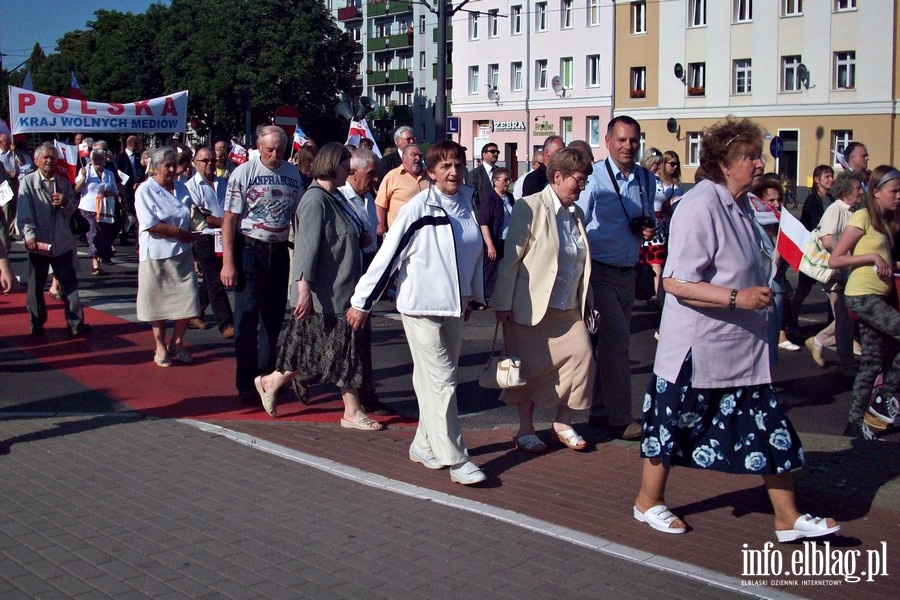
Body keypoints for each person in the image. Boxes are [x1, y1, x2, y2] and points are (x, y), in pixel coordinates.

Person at [633, 117, 840, 543]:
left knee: (767, 426)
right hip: (698, 350)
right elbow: (675, 282)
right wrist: (737, 298)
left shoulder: (745, 205)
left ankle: (786, 516)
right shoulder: (700, 205)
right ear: (723, 164)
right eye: (749, 157)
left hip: (743, 351)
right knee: (669, 428)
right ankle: (647, 502)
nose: (758, 163)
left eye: (757, 155)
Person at [348, 140, 487, 485]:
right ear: (431, 171)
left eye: (457, 164)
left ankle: (424, 444)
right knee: (442, 380)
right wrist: (362, 302)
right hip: (420, 306)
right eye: (444, 166)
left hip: (456, 306)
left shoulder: (469, 202)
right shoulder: (419, 208)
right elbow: (387, 256)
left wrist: (472, 295)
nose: (453, 172)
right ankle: (456, 458)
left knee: (436, 378)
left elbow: (473, 253)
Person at [253, 143, 384, 430]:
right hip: (327, 293)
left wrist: (359, 238)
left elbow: (344, 233)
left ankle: (271, 381)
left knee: (319, 352)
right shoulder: (315, 200)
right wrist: (303, 291)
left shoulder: (336, 197)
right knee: (341, 351)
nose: (347, 170)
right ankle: (352, 410)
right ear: (330, 165)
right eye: (343, 165)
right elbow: (306, 249)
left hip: (342, 288)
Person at [492, 148, 594, 453]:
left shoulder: (576, 213)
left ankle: (563, 422)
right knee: (529, 370)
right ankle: (525, 429)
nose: (583, 186)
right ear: (558, 176)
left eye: (586, 180)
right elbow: (512, 258)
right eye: (579, 180)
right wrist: (502, 303)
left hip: (569, 307)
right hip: (531, 306)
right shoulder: (529, 207)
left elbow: (580, 260)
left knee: (583, 359)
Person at [576, 116, 656, 440]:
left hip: (629, 271)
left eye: (633, 141)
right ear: (607, 141)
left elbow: (650, 219)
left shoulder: (645, 179)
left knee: (607, 347)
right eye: (621, 140)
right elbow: (576, 220)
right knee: (618, 344)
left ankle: (599, 410)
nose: (628, 147)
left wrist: (649, 227)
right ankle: (621, 418)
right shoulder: (593, 177)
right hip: (599, 273)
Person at [220, 125, 302, 404]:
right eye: (270, 149)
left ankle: (267, 378)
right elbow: (229, 220)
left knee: (273, 318)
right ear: (259, 147)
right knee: (246, 318)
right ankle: (245, 383)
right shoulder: (244, 173)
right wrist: (228, 263)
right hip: (250, 248)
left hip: (278, 249)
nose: (275, 155)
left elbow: (297, 217)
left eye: (280, 149)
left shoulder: (292, 174)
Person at [829, 165, 900, 439]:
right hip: (861, 296)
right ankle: (887, 395)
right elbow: (836, 258)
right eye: (894, 191)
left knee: (871, 361)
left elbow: (883, 259)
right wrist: (872, 258)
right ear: (877, 192)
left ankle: (854, 422)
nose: (898, 196)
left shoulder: (885, 223)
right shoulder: (863, 216)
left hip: (877, 296)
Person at [337, 147, 394, 416]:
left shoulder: (368, 199)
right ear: (352, 172)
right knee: (338, 339)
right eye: (370, 173)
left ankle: (367, 394)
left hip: (365, 275)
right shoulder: (337, 199)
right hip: (342, 278)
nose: (375, 179)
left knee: (362, 338)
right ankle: (298, 375)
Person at [135, 147, 201, 367]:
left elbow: (193, 214)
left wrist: (199, 228)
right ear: (154, 168)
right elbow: (151, 225)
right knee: (158, 303)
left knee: (189, 298)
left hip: (182, 253)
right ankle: (160, 345)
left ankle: (178, 341)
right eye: (167, 165)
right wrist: (181, 233)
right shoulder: (145, 190)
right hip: (156, 254)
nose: (172, 169)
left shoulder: (182, 189)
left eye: (175, 165)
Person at [16, 143, 89, 337]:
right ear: (37, 160)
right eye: (46, 157)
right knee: (36, 286)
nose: (50, 161)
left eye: (53, 158)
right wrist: (29, 236)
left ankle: (76, 323)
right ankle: (36, 323)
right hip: (39, 244)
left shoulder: (63, 182)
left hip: (61, 242)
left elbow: (73, 208)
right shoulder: (28, 182)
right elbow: (24, 213)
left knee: (70, 285)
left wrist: (65, 202)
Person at [804, 171, 865, 374]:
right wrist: (848, 252)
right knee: (845, 321)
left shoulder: (852, 211)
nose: (861, 192)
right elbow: (827, 240)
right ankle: (844, 363)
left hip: (845, 272)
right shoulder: (836, 210)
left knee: (847, 319)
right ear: (846, 190)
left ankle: (820, 342)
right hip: (835, 273)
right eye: (858, 188)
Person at [185, 146, 234, 338]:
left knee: (210, 278)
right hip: (205, 235)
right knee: (215, 279)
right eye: (205, 160)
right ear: (195, 162)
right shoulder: (191, 186)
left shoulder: (224, 183)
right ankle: (226, 323)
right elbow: (201, 215)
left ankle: (194, 311)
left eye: (213, 160)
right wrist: (226, 223)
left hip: (224, 236)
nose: (210, 164)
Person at [750, 177, 800, 354]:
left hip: (778, 287)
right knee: (762, 341)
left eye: (779, 199)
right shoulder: (755, 225)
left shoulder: (779, 223)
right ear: (759, 202)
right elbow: (763, 260)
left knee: (772, 340)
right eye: (771, 200)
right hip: (763, 288)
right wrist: (780, 251)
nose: (777, 204)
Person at [790, 165, 835, 335]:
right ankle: (792, 322)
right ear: (817, 180)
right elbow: (808, 224)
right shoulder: (812, 200)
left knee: (833, 289)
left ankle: (832, 327)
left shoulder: (831, 198)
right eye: (827, 176)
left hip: (828, 251)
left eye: (831, 176)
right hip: (813, 250)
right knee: (804, 288)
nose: (831, 179)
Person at [75, 149, 118, 276]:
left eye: (101, 159)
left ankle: (99, 256)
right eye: (96, 159)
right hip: (88, 208)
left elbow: (115, 190)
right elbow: (76, 189)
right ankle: (95, 264)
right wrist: (83, 177)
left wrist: (107, 193)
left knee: (102, 235)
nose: (98, 162)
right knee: (92, 234)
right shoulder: (86, 171)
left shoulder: (109, 173)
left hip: (104, 210)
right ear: (91, 160)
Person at [478, 167, 514, 302]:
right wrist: (490, 245)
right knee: (491, 270)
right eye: (505, 180)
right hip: (494, 240)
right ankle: (485, 297)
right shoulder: (490, 198)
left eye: (509, 179)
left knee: (505, 270)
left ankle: (501, 296)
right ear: (495, 181)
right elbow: (484, 223)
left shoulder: (509, 197)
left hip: (508, 240)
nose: (508, 182)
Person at [375, 144, 428, 235]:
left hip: (425, 230)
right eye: (413, 155)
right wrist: (381, 224)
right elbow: (380, 204)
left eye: (420, 155)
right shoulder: (392, 176)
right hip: (400, 232)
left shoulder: (429, 176)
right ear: (404, 158)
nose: (418, 158)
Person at [639, 148, 666, 302]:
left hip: (657, 226)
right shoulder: (641, 178)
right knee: (649, 265)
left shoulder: (657, 180)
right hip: (647, 223)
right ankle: (655, 296)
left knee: (658, 264)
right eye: (657, 164)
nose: (659, 167)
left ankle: (659, 298)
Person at [113, 135, 145, 245]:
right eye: (137, 143)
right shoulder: (120, 157)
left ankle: (131, 236)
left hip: (136, 189)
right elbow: (117, 172)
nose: (138, 146)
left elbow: (140, 170)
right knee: (126, 214)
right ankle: (123, 235)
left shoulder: (138, 156)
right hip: (125, 189)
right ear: (132, 144)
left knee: (135, 213)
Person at [1, 133, 20, 243]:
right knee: (6, 207)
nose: (8, 143)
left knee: (14, 208)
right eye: (6, 141)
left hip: (14, 183)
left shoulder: (13, 153)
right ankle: (4, 232)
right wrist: (8, 173)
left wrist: (15, 152)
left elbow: (22, 162)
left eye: (9, 140)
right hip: (4, 183)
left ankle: (9, 232)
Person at [466, 142, 499, 206]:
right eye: (492, 151)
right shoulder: (474, 174)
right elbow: (473, 199)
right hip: (483, 212)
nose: (496, 153)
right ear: (484, 155)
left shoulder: (499, 171)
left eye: (497, 152)